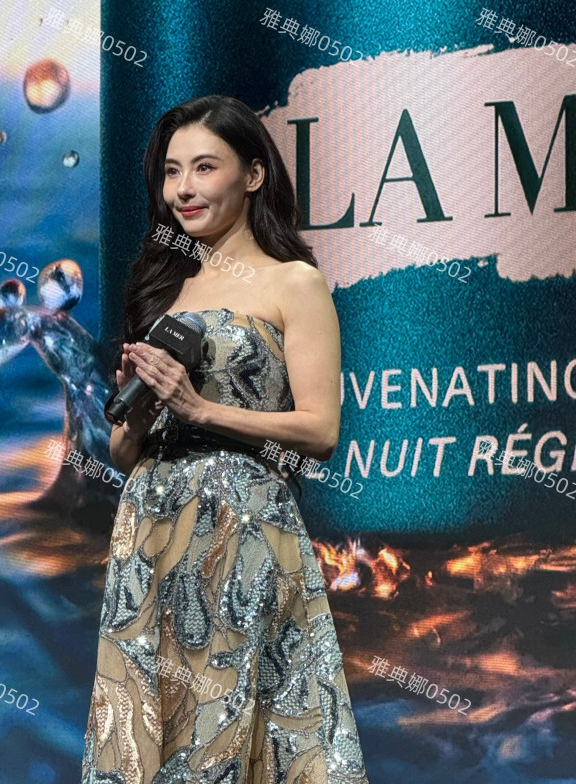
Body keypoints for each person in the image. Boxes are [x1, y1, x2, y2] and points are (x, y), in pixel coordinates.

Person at [81, 95, 369, 784]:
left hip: (243, 533)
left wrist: (200, 408)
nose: (183, 188)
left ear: (254, 174)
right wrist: (141, 414)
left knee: (227, 728)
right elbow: (122, 454)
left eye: (204, 167)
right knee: (145, 731)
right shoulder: (161, 288)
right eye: (171, 171)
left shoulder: (294, 282)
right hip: (150, 534)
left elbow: (320, 429)